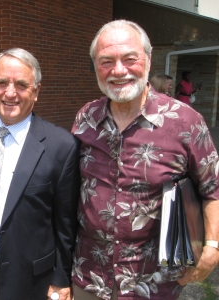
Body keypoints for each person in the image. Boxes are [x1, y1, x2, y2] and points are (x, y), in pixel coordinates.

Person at [71, 20, 219, 300]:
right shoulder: (85, 118)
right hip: (88, 279)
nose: (118, 70)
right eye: (106, 61)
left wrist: (212, 247)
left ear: (148, 61)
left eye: (130, 59)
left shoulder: (186, 122)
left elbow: (213, 188)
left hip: (154, 285)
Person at [0, 48, 79, 300]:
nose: (10, 93)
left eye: (22, 85)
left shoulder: (60, 145)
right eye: (2, 82)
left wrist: (60, 279)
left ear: (36, 91)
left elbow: (65, 223)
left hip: (26, 282)